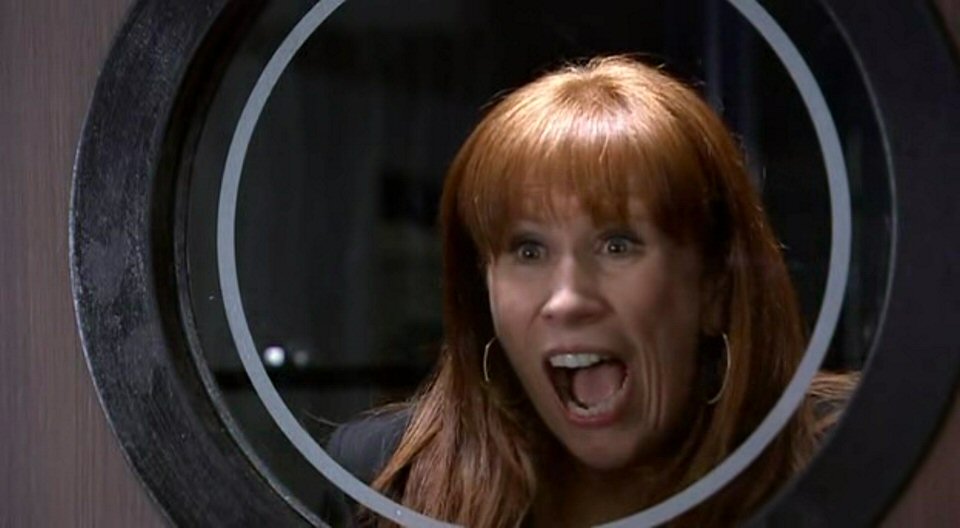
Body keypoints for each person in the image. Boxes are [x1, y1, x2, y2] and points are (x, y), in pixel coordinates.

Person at [325, 55, 856, 527]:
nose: (568, 299)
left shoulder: (846, 463)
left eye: (617, 245)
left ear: (715, 288)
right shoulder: (384, 484)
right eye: (528, 251)